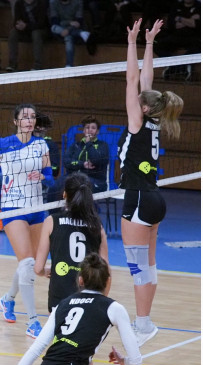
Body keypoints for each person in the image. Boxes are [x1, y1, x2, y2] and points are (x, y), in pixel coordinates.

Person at [0, 253, 142, 365]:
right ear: (108, 281)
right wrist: (123, 361)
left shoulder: (63, 304)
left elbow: (36, 348)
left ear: (80, 280)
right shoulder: (114, 308)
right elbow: (136, 360)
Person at [119, 19, 183, 347]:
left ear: (144, 108)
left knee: (137, 267)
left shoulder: (137, 121)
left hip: (140, 197)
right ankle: (144, 321)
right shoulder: (155, 119)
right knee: (149, 263)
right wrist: (149, 43)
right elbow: (147, 80)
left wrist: (132, 42)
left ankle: (143, 324)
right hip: (155, 197)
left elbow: (134, 79)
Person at [0, 104, 53, 338]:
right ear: (15, 121)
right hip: (13, 208)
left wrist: (43, 176)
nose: (29, 121)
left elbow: (51, 178)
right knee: (27, 264)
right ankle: (33, 322)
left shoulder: (41, 145)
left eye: (33, 117)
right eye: (24, 117)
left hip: (37, 208)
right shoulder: (2, 145)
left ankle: (8, 299)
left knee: (33, 264)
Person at [35, 172, 108, 312]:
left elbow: (38, 268)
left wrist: (46, 271)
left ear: (64, 194)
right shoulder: (97, 227)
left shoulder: (51, 221)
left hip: (58, 299)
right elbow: (106, 272)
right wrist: (102, 299)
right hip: (88, 299)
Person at [48, 115, 110, 203]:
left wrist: (89, 143)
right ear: (84, 130)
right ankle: (55, 214)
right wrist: (82, 164)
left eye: (93, 128)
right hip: (73, 177)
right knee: (54, 187)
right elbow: (66, 162)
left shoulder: (102, 145)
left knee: (77, 188)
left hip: (95, 180)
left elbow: (97, 160)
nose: (90, 130)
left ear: (97, 131)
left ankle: (88, 212)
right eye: (87, 127)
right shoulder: (76, 145)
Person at [154, 0, 201, 81]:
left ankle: (174, 66)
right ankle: (179, 65)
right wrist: (190, 19)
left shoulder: (199, 6)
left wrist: (179, 18)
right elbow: (172, 25)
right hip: (176, 36)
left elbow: (197, 25)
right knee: (157, 45)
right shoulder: (176, 5)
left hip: (193, 37)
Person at [49, 0, 97, 67]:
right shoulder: (53, 2)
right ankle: (80, 33)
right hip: (60, 30)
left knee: (68, 37)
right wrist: (69, 22)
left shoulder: (78, 2)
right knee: (53, 28)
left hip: (73, 28)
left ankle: (69, 65)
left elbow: (78, 21)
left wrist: (68, 30)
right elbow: (55, 21)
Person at [6, 0, 48, 72]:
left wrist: (26, 26)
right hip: (26, 29)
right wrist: (19, 25)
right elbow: (16, 20)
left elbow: (41, 23)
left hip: (41, 30)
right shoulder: (19, 3)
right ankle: (12, 64)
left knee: (36, 33)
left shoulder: (42, 3)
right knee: (13, 32)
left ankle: (37, 65)